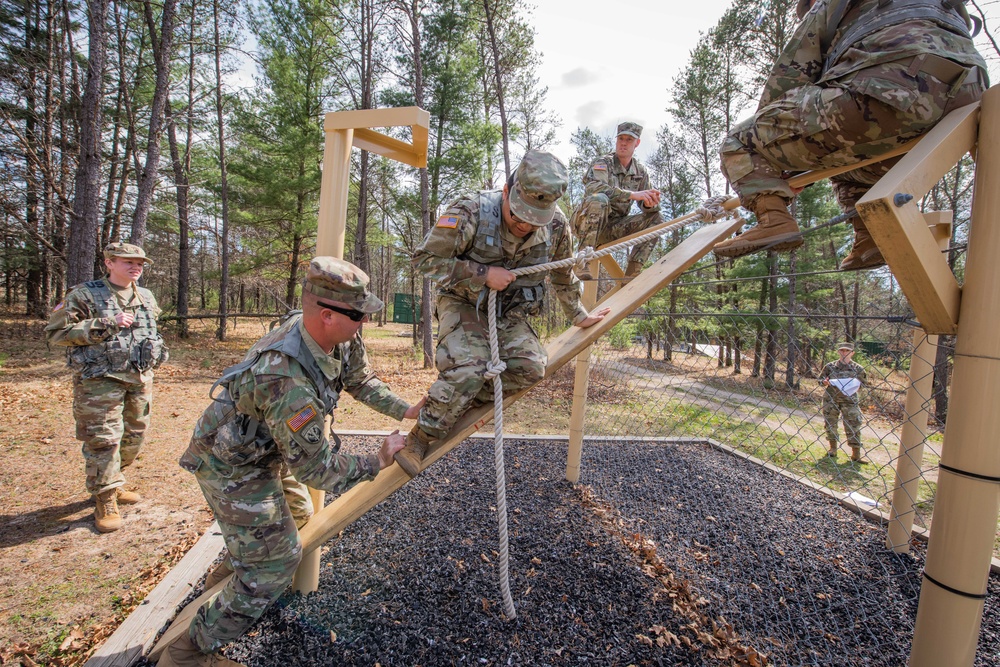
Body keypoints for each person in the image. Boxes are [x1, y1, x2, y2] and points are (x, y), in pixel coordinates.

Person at [160, 257, 420, 667]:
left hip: (264, 448)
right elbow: (317, 470)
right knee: (276, 562)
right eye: (358, 315)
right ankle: (188, 653)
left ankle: (228, 580)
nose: (364, 322)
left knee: (294, 518)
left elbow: (360, 380)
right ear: (327, 314)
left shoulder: (337, 336)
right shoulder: (286, 380)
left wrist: (405, 409)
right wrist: (378, 459)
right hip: (231, 464)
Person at [714, 0, 987, 268]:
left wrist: (777, 165)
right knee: (845, 161)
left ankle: (773, 219)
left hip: (891, 89)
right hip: (969, 99)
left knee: (740, 141)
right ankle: (871, 236)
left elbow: (789, 79)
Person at [394, 150, 612, 477]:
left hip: (510, 313)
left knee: (531, 367)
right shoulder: (470, 211)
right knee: (469, 367)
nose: (524, 226)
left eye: (533, 220)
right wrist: (482, 272)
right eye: (518, 216)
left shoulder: (556, 225)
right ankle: (421, 436)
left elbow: (563, 274)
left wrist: (579, 315)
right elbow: (424, 260)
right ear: (507, 191)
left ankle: (459, 392)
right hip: (464, 303)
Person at [45, 242, 168, 533]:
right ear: (109, 262)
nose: (135, 267)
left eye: (139, 263)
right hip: (100, 381)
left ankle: (114, 479)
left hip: (139, 378)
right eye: (128, 261)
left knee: (134, 437)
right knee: (104, 439)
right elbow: (56, 333)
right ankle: (105, 496)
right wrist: (105, 323)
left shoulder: (146, 296)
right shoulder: (85, 294)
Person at [572, 121, 662, 281]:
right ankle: (582, 261)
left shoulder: (640, 171)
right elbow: (593, 188)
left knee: (657, 219)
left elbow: (647, 203)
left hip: (613, 227)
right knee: (599, 199)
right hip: (586, 224)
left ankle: (632, 271)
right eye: (621, 139)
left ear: (637, 143)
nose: (623, 143)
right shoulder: (603, 163)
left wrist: (649, 204)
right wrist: (632, 195)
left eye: (629, 140)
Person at [819, 342, 869, 463]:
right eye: (842, 350)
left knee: (854, 424)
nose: (844, 353)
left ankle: (856, 454)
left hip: (850, 401)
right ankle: (833, 449)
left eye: (847, 351)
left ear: (852, 353)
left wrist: (852, 385)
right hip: (831, 399)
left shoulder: (858, 368)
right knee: (831, 423)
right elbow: (820, 380)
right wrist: (824, 382)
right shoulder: (830, 366)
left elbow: (863, 384)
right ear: (838, 352)